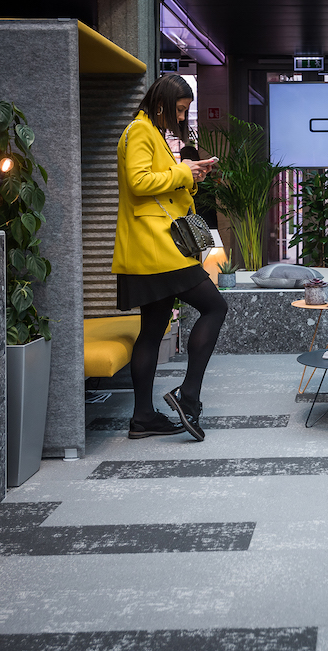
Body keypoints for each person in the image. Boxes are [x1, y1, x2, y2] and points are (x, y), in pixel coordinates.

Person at [113, 74, 225, 440]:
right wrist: (182, 170)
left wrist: (192, 176)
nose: (180, 117)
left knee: (151, 329)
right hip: (157, 247)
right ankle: (188, 395)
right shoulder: (140, 131)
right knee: (215, 307)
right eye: (178, 110)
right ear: (160, 103)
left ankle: (143, 417)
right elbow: (138, 182)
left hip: (148, 248)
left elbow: (158, 183)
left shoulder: (148, 132)